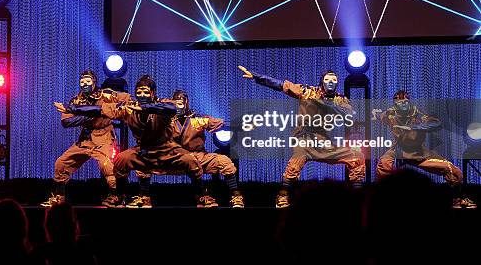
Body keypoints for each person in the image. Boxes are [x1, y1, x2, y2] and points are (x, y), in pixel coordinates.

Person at [68, 75, 205, 208]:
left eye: (146, 92)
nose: (142, 95)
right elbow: (100, 110)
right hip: (144, 150)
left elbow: (172, 108)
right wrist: (74, 109)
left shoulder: (163, 104)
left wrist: (145, 108)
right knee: (121, 160)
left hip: (167, 150)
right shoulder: (129, 108)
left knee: (191, 161)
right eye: (139, 92)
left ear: (152, 93)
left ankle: (201, 196)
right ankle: (120, 196)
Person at [239, 66, 365, 208]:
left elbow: (351, 117)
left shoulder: (340, 99)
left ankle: (358, 199)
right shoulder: (307, 92)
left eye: (334, 79)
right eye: (327, 79)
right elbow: (282, 85)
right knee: (296, 161)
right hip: (304, 140)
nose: (331, 81)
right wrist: (256, 76)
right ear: (322, 81)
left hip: (323, 143)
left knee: (357, 156)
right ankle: (283, 196)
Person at [138, 90, 244, 208]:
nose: (178, 106)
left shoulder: (196, 119)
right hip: (170, 158)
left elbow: (218, 124)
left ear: (186, 103)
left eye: (181, 103)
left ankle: (235, 196)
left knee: (224, 161)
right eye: (175, 103)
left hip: (196, 157)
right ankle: (144, 197)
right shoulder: (163, 119)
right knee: (142, 162)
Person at [42, 70, 129, 208]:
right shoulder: (77, 100)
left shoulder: (105, 94)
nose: (85, 84)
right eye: (82, 82)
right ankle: (58, 197)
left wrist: (112, 108)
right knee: (61, 163)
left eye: (88, 81)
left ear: (94, 82)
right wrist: (91, 114)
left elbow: (126, 99)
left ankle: (116, 196)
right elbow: (66, 122)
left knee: (108, 166)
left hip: (104, 136)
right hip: (86, 138)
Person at [377, 90, 476, 208]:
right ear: (395, 103)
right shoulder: (390, 113)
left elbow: (437, 123)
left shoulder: (416, 113)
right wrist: (377, 115)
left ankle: (457, 199)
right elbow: (380, 116)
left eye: (405, 102)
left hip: (418, 152)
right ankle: (383, 201)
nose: (402, 105)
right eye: (399, 102)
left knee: (452, 170)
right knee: (383, 165)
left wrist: (415, 127)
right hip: (397, 150)